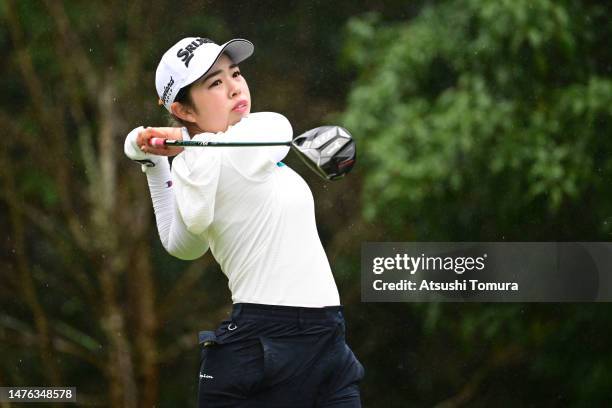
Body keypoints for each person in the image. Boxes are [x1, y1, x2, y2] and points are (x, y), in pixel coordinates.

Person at [124, 37, 364, 407]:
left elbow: (274, 129)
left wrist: (162, 153)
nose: (235, 86)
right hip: (263, 348)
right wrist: (159, 161)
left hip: (326, 344)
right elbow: (184, 243)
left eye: (234, 73)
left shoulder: (239, 148)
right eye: (215, 83)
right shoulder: (207, 163)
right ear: (183, 109)